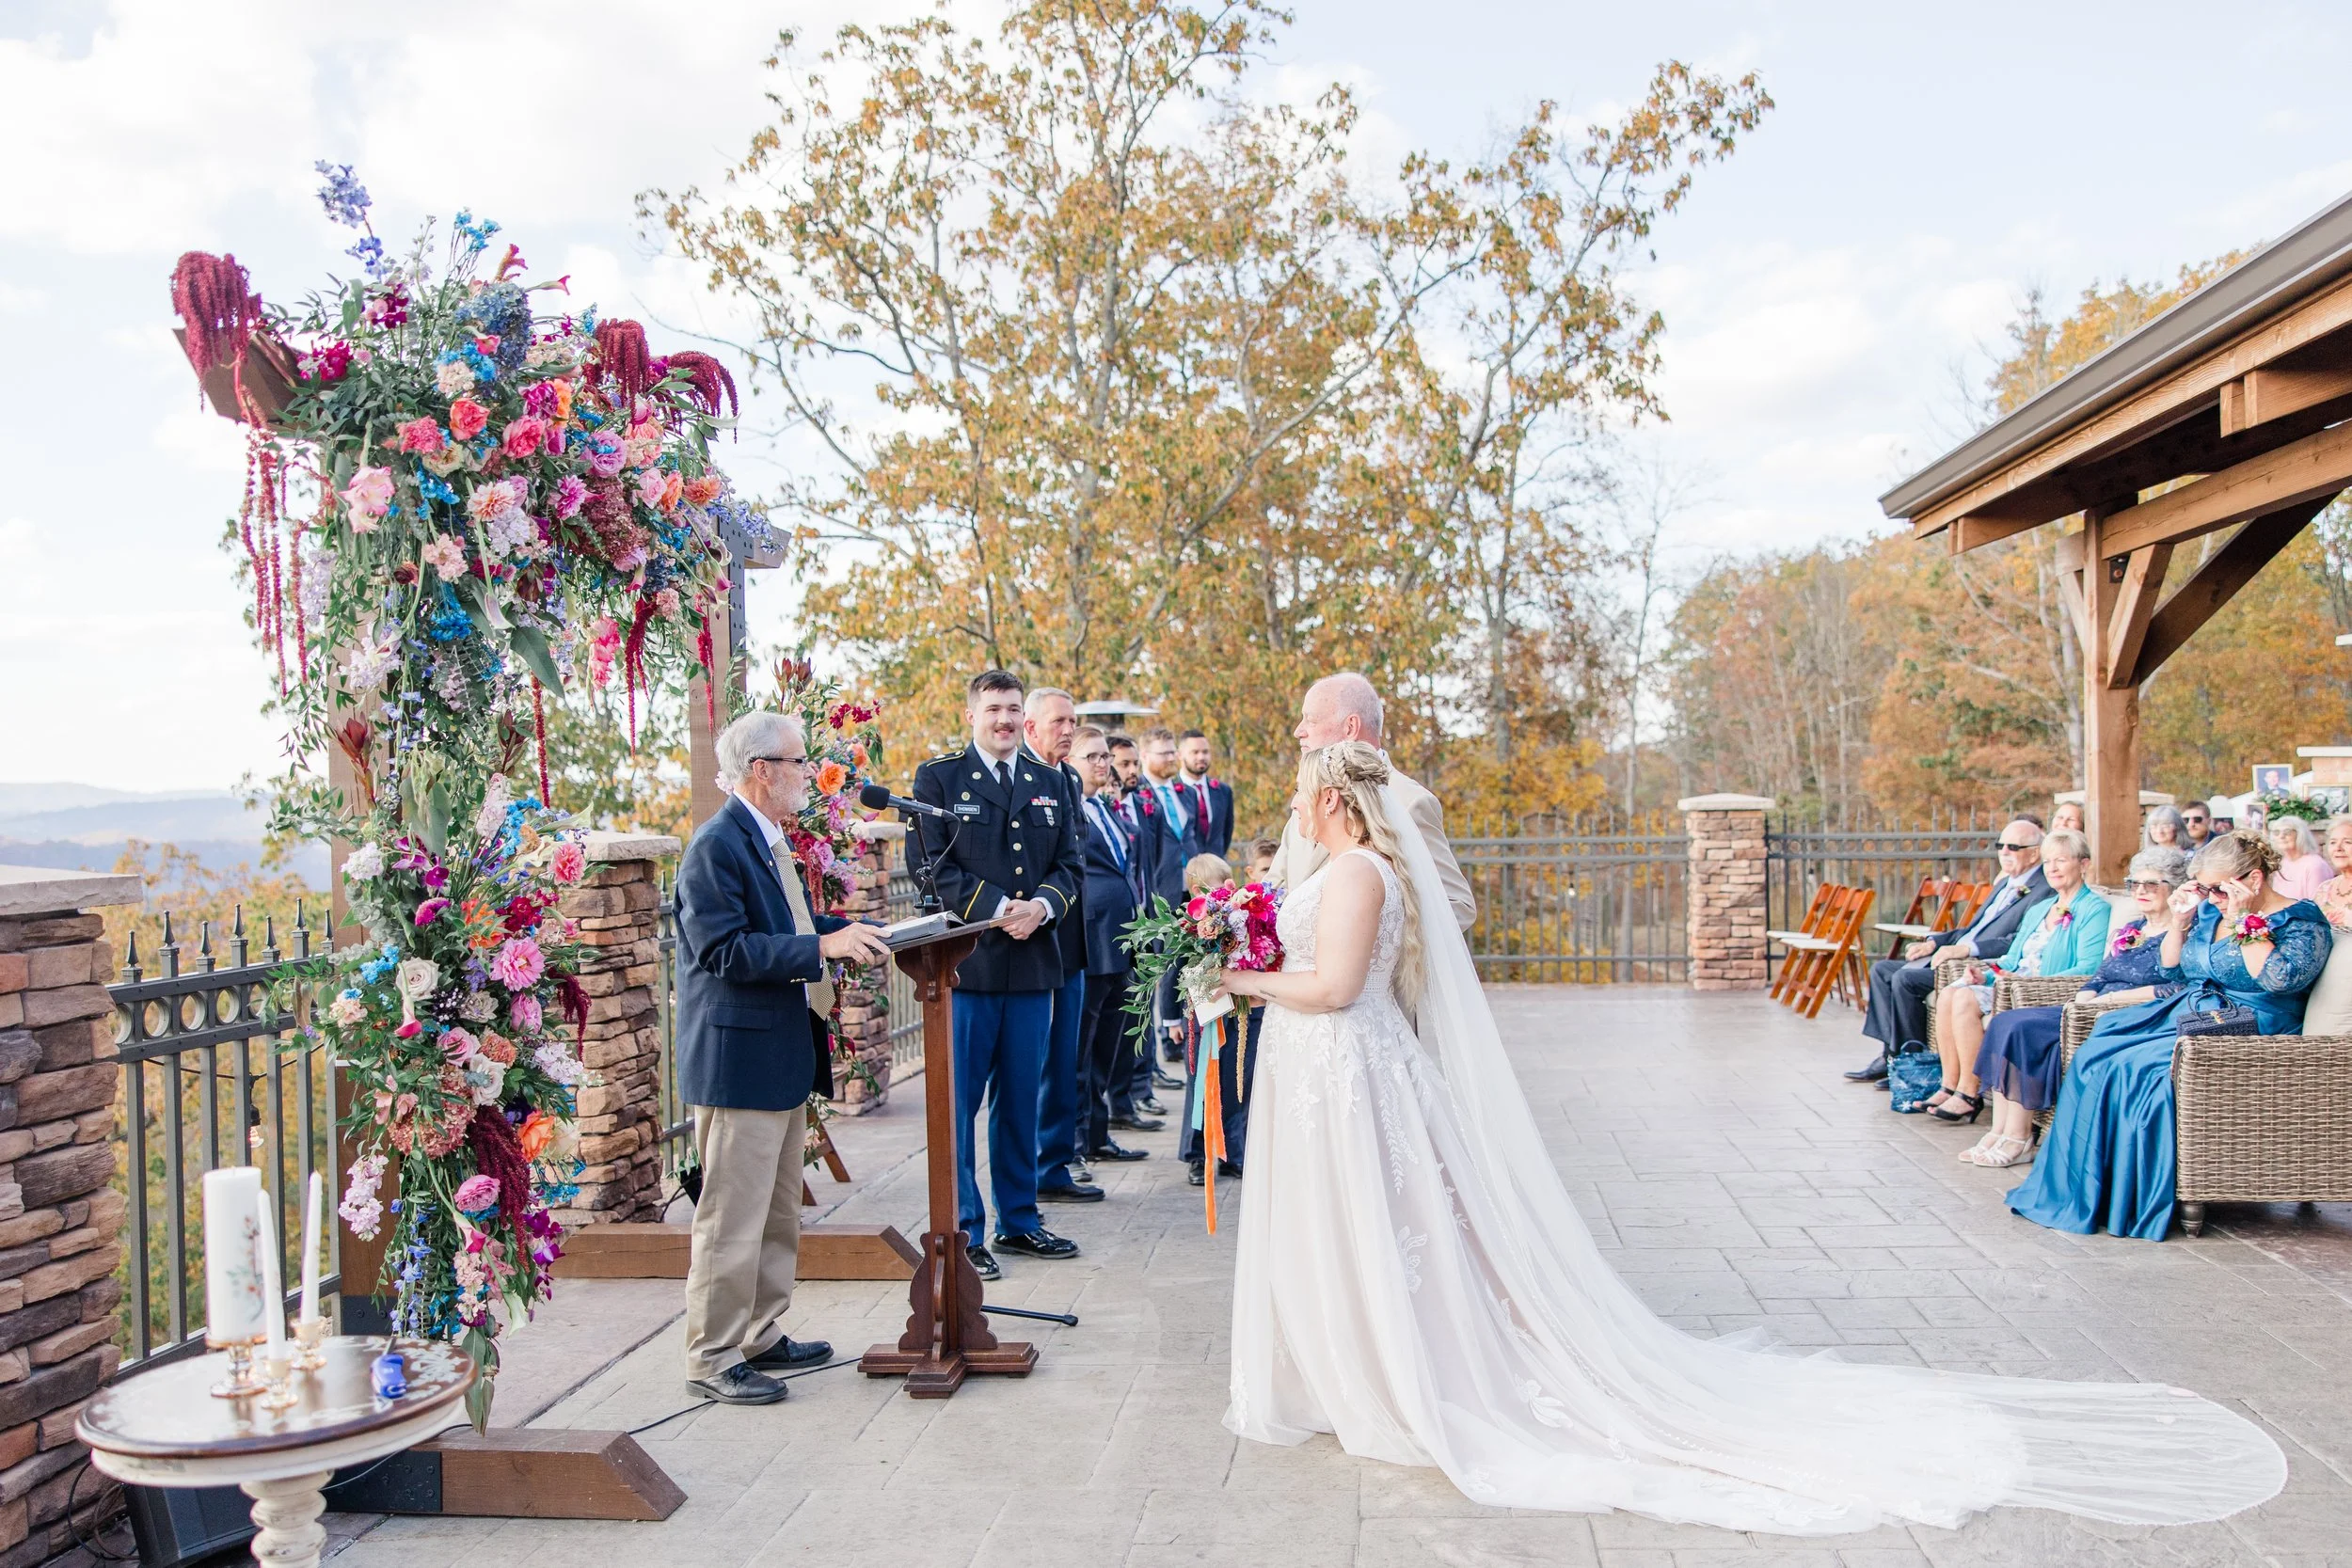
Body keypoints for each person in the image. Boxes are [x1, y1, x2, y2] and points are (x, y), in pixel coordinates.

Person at [1215, 740, 2284, 1528]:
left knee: (1376, 1224)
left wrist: (1235, 977)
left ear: (1329, 799)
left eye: (1303, 793)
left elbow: (1337, 983)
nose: (1294, 809)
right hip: (1330, 1077)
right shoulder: (1328, 870)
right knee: (1359, 1228)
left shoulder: (1357, 872)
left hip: (1346, 1071)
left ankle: (1394, 1375)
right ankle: (1353, 1360)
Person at [675, 711, 894, 1405]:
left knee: (775, 1213)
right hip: (737, 1060)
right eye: (799, 763)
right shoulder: (717, 845)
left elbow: (790, 928)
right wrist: (819, 949)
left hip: (779, 1054)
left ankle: (761, 1333)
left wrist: (845, 930)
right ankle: (711, 1356)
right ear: (761, 770)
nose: (808, 773)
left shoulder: (768, 840)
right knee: (730, 1218)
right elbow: (724, 950)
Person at [2010, 832, 2331, 1241]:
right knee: (2099, 1048)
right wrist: (2180, 924)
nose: (2211, 897)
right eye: (2205, 888)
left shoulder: (2300, 921)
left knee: (2136, 1067)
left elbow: (2278, 979)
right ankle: (2092, 1191)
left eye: (2217, 888)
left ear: (2253, 879)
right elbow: (2175, 970)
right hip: (2196, 1009)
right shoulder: (2213, 913)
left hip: (2251, 1024)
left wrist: (2242, 920)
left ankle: (2131, 1196)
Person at [911, 670, 1088, 1282]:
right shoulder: (940, 779)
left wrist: (1041, 906)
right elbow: (931, 868)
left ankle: (1019, 1217)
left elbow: (1071, 862)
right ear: (972, 715)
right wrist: (997, 909)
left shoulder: (1050, 781)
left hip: (1035, 964)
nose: (1005, 719)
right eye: (994, 709)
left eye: (1013, 709)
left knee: (1020, 1100)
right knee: (960, 1105)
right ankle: (965, 1227)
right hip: (969, 968)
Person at [1960, 846, 2189, 1169]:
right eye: (2135, 884)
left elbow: (2174, 989)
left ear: (2176, 888)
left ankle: (2020, 1136)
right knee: (2005, 1021)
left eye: (2151, 884)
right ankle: (1999, 1130)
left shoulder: (2180, 933)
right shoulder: (2133, 928)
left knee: (2024, 1028)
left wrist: (2104, 1002)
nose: (2140, 891)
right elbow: (2100, 975)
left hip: (2128, 1013)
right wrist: (2082, 1000)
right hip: (2092, 1006)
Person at [1918, 829, 2110, 1125]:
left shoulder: (2094, 909)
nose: (2053, 869)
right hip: (2013, 983)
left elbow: (2088, 968)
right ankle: (1949, 1084)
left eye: (2061, 860)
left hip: (2039, 991)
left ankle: (1969, 1094)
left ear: (2083, 864)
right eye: (2048, 862)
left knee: (1964, 998)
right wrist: (1987, 975)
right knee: (1951, 992)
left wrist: (2021, 983)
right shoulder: (2040, 908)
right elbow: (2012, 959)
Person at [1846, 820, 2051, 1085]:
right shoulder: (2004, 884)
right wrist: (1934, 942)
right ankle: (1891, 1057)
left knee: (1905, 980)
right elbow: (1973, 928)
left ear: (2034, 853)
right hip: (1952, 953)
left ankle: (1913, 1066)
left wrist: (1965, 949)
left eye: (2013, 847)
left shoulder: (2043, 889)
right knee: (1881, 970)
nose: (2004, 852)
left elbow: (2016, 941)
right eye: (2000, 845)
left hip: (1975, 964)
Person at [1267, 672, 1475, 929]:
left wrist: (1370, 946)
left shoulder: (1410, 802)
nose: (1299, 731)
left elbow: (1458, 905)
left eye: (1310, 720)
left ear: (1350, 727)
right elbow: (1274, 891)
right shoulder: (1305, 801)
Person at [1022, 688, 1102, 1207]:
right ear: (1031, 727)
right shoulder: (1019, 777)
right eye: (1059, 722)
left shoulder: (1068, 777)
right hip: (1031, 937)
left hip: (1071, 936)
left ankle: (1055, 1161)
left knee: (1066, 1058)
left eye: (1073, 721)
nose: (1068, 730)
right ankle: (1028, 1166)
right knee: (1034, 1062)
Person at [1069, 725, 1152, 1172]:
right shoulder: (1070, 809)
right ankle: (1076, 1143)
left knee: (1108, 1047)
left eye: (1104, 757)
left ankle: (1099, 1134)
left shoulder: (1104, 807)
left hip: (1123, 940)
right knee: (1080, 1051)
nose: (1102, 764)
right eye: (1092, 757)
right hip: (1092, 940)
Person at [1168, 852, 1253, 1187]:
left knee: (1234, 1083)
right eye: (1209, 893)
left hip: (1234, 1011)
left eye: (1222, 892)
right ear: (1193, 892)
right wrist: (1170, 1021)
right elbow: (1171, 976)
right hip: (1198, 1017)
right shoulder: (1184, 927)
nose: (1217, 902)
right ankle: (1196, 1154)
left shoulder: (1237, 921)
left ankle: (1232, 1152)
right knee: (1200, 1085)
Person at [1174, 730, 1236, 858]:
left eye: (1205, 752)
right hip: (1185, 869)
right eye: (1195, 752)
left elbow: (1226, 832)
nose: (1201, 757)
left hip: (1216, 867)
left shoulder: (1223, 791)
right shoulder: (1171, 791)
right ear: (1180, 755)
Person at [2268, 816, 2331, 900]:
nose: (2281, 836)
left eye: (2287, 832)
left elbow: (2317, 906)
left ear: (2300, 834)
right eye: (2276, 832)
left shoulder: (2314, 865)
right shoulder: (2282, 863)